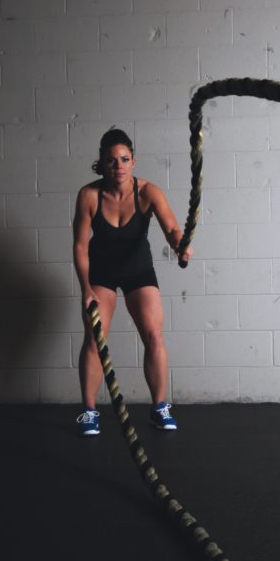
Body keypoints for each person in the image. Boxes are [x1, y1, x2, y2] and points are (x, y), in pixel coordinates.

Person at [72, 128, 192, 436]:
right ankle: (88, 411)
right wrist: (86, 289)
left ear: (133, 162)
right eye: (112, 160)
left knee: (154, 335)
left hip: (139, 271)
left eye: (124, 159)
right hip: (102, 273)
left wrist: (181, 244)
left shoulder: (148, 192)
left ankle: (159, 406)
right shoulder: (89, 195)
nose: (119, 166)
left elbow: (172, 229)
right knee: (94, 338)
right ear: (103, 163)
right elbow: (81, 246)